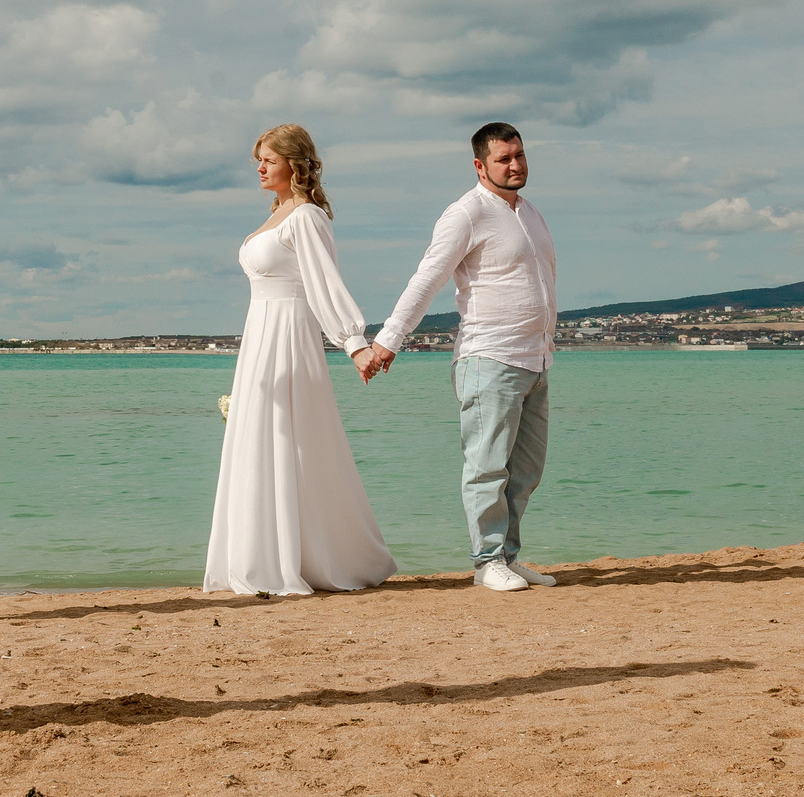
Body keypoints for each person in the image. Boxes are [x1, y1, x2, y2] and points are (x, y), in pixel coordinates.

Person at [203, 125, 398, 597]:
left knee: (293, 440)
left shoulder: (307, 217)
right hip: (260, 335)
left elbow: (324, 284)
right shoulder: (277, 214)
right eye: (259, 159)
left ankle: (305, 559)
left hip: (288, 337)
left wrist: (354, 343)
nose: (259, 168)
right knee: (263, 441)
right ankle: (261, 556)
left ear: (294, 163)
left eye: (268, 159)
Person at [365, 123, 556, 592]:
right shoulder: (467, 213)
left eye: (519, 155)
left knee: (525, 472)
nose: (515, 165)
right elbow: (428, 277)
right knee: (487, 467)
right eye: (503, 159)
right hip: (489, 358)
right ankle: (486, 561)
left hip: (535, 360)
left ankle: (508, 557)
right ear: (479, 166)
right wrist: (389, 339)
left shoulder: (530, 213)